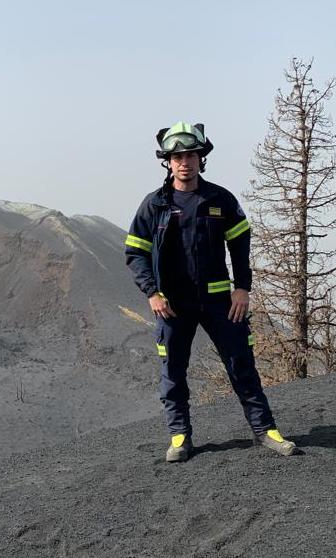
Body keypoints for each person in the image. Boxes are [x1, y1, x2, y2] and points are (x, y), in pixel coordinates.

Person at [125, 121, 297, 462]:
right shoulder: (154, 204)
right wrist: (152, 293)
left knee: (241, 364)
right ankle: (180, 437)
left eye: (191, 155)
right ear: (168, 161)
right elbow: (135, 252)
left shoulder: (220, 200)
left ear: (201, 158)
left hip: (221, 303)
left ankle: (266, 431)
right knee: (172, 372)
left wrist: (243, 288)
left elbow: (240, 247)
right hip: (172, 306)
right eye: (177, 156)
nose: (184, 162)